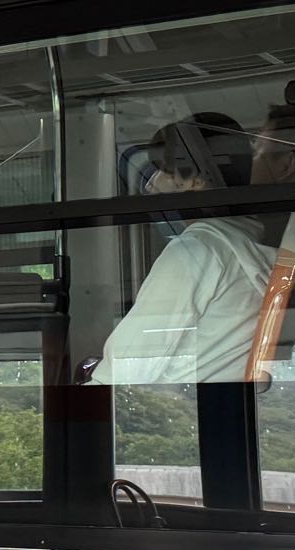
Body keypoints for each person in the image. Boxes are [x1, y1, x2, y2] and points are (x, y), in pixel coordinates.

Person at [89, 112, 279, 386]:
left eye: (162, 170)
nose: (151, 184)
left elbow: (126, 369)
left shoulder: (195, 253)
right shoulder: (253, 251)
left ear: (194, 181)